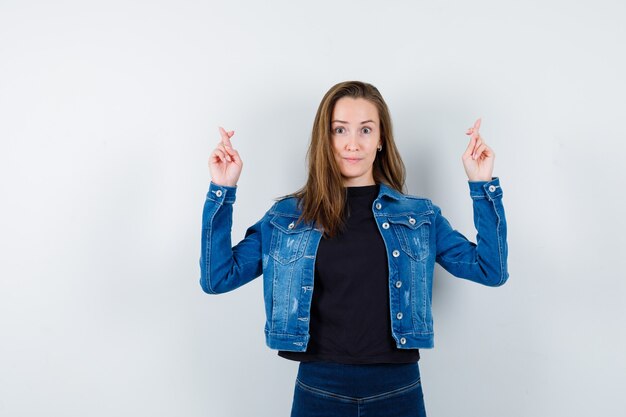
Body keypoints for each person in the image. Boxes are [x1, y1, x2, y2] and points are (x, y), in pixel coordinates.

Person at [200, 80, 509, 417]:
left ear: (380, 140)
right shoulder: (287, 217)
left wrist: (482, 186)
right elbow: (218, 278)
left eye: (365, 130)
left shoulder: (419, 216)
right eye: (340, 130)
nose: (352, 143)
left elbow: (489, 270)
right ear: (326, 138)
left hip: (398, 389)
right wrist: (222, 189)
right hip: (319, 388)